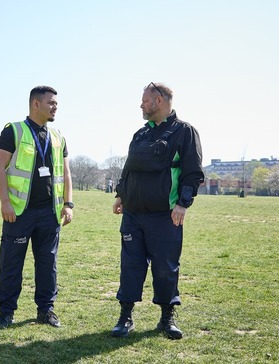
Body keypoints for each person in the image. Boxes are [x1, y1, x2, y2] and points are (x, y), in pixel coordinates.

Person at [111, 82, 203, 340]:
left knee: (165, 268)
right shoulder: (140, 134)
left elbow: (193, 173)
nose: (141, 105)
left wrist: (183, 203)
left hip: (165, 215)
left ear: (159, 100)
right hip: (133, 214)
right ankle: (125, 317)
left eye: (145, 100)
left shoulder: (184, 132)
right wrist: (120, 194)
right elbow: (128, 168)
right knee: (130, 266)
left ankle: (167, 318)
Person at [0, 85, 73, 329]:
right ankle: (6, 312)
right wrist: (5, 202)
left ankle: (46, 311)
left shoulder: (58, 137)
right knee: (11, 264)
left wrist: (68, 204)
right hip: (18, 212)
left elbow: (66, 173)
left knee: (48, 264)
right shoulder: (13, 131)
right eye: (51, 103)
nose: (55, 107)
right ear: (35, 104)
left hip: (49, 214)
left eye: (56, 103)